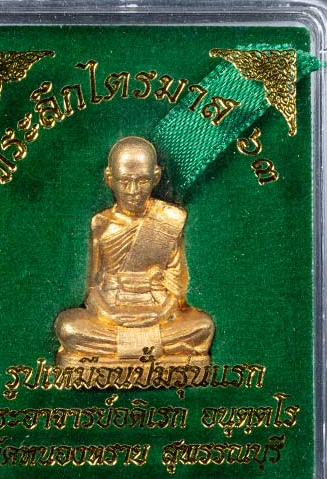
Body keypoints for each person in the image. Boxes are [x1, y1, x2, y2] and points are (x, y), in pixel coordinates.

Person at [55, 136, 214, 365]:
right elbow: (93, 286)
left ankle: (118, 353)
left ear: (155, 177)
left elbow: (176, 284)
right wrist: (110, 314)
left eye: (142, 180)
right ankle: (151, 350)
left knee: (202, 326)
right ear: (110, 179)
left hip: (157, 311)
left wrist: (160, 314)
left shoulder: (169, 219)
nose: (133, 190)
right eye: (124, 181)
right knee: (68, 327)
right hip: (112, 311)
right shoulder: (101, 224)